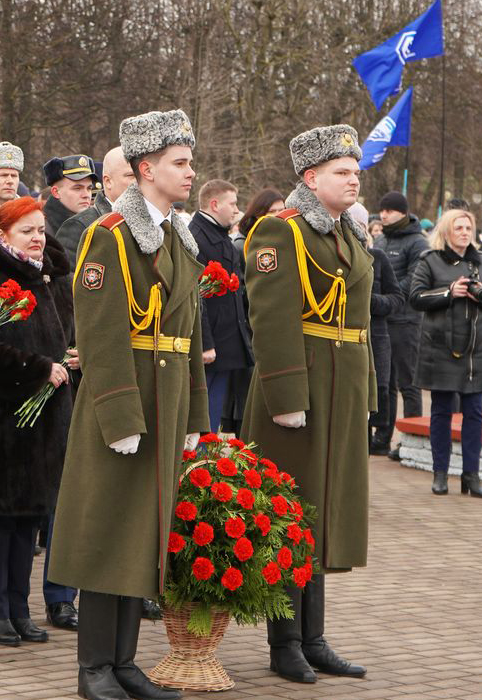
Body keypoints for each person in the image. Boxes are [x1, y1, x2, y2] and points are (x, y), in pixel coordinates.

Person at [50, 109, 206, 700]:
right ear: (146, 168)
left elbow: (187, 336)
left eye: (189, 161)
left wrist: (195, 418)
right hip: (124, 405)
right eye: (179, 162)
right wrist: (117, 414)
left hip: (165, 406)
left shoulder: (178, 238)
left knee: (142, 533)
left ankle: (124, 662)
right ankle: (94, 667)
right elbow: (100, 334)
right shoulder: (110, 235)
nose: (190, 172)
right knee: (107, 534)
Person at [241, 124, 372, 684]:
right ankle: (285, 641)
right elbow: (270, 321)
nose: (354, 180)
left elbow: (358, 322)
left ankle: (314, 636)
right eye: (343, 172)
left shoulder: (346, 233)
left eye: (356, 172)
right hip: (298, 390)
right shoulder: (281, 231)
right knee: (289, 515)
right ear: (310, 178)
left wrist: (363, 393)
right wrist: (288, 397)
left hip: (341, 388)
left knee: (321, 513)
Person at [0, 196, 74, 648]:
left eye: (41, 229)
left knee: (28, 520)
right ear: (2, 235)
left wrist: (73, 357)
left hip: (44, 415)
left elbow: (68, 330)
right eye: (27, 231)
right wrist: (38, 368)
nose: (38, 238)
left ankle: (20, 608)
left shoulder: (51, 276)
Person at [409, 208, 482, 499]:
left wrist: (481, 295)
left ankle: (471, 476)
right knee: (441, 412)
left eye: (468, 228)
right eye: (458, 228)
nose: (464, 232)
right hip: (441, 347)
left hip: (476, 349)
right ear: (447, 231)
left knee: (475, 413)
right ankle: (440, 474)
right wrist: (449, 292)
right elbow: (415, 297)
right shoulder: (431, 260)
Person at [189, 179, 252, 433]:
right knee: (204, 417)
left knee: (212, 417)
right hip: (211, 344)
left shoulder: (218, 234)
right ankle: (197, 466)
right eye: (232, 204)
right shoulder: (197, 237)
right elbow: (196, 295)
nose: (237, 210)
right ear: (214, 205)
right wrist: (205, 343)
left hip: (225, 340)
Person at [347, 202, 405, 457]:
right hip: (346, 336)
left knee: (380, 388)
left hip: (377, 335)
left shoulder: (378, 257)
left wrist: (372, 301)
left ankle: (380, 438)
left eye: (360, 225)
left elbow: (397, 298)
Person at [375, 190, 430, 459]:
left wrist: (391, 297)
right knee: (387, 384)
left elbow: (415, 279)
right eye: (382, 210)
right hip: (384, 319)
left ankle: (412, 441)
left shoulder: (418, 242)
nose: (383, 214)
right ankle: (383, 437)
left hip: (406, 319)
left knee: (409, 383)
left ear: (403, 213)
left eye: (390, 210)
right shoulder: (381, 239)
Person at [56, 147, 134, 264]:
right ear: (108, 182)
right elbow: (68, 278)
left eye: (141, 175)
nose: (139, 182)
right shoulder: (79, 226)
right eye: (131, 175)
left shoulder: (151, 219)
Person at [41, 155, 100, 238]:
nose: (86, 195)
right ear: (56, 192)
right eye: (77, 188)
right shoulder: (42, 230)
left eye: (89, 188)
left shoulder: (96, 223)